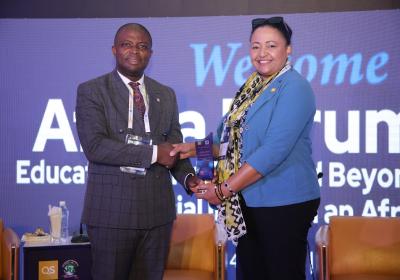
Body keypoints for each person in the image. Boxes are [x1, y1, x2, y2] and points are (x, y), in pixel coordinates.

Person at [170, 17, 320, 280]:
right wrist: (190, 150)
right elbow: (225, 143)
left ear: (288, 49)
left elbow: (273, 151)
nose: (262, 54)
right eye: (255, 46)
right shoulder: (250, 89)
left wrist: (223, 190)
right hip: (248, 200)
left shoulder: (295, 87)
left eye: (271, 46)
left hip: (283, 202)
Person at [75, 23, 200, 280]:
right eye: (127, 45)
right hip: (111, 215)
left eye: (142, 46)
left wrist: (189, 179)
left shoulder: (165, 95)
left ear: (150, 54)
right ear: (114, 50)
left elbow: (174, 147)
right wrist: (154, 154)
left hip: (157, 216)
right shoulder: (92, 91)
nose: (135, 51)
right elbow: (95, 147)